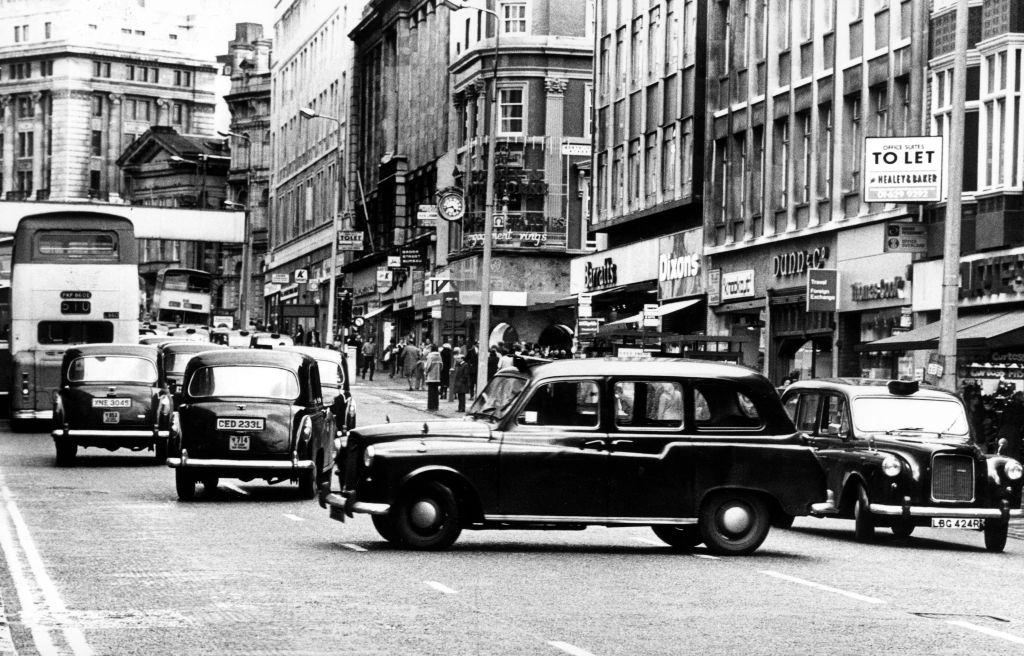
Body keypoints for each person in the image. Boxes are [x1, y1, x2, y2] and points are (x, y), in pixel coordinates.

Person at [996, 391, 1024, 459]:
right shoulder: (1021, 408)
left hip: (1004, 430)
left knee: (1004, 451)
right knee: (1014, 452)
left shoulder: (1008, 407)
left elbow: (1001, 420)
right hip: (1014, 431)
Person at [424, 344, 443, 411]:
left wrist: (426, 371)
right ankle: (436, 406)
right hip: (437, 376)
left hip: (431, 376)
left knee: (431, 392)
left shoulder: (430, 355)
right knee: (436, 392)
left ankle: (430, 406)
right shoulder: (439, 355)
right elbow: (441, 365)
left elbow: (428, 365)